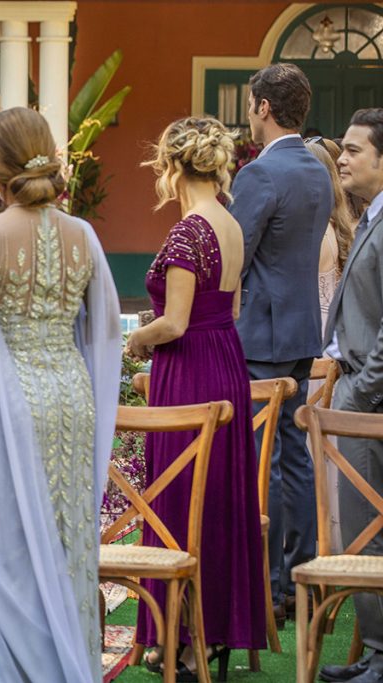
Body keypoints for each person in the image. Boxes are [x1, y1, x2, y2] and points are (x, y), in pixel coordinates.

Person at [0, 107, 120, 681]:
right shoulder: (83, 234)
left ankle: (18, 660)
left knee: (5, 534)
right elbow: (108, 326)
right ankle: (68, 656)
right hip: (71, 396)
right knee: (66, 534)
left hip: (9, 402)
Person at [126, 116, 266, 677]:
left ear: (173, 167)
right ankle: (206, 634)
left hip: (189, 371)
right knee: (218, 499)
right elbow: (227, 311)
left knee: (183, 498)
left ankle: (187, 638)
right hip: (225, 361)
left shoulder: (188, 231)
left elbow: (176, 323)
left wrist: (136, 336)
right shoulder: (228, 224)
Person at [228, 63, 333, 625]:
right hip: (300, 332)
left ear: (264, 107)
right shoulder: (318, 169)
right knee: (294, 456)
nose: (250, 114)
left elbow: (233, 254)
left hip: (261, 337)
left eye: (251, 105)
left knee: (261, 458)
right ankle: (300, 577)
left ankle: (265, 585)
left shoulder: (258, 175)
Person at [318, 107, 383, 683]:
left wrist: (362, 390)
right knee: (365, 526)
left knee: (371, 527)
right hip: (358, 389)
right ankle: (374, 652)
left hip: (372, 399)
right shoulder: (369, 216)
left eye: (354, 150)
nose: (342, 157)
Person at [305, 135, 356, 554]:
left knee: (310, 444)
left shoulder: (316, 231)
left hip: (313, 340)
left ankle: (318, 541)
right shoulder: (344, 227)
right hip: (333, 339)